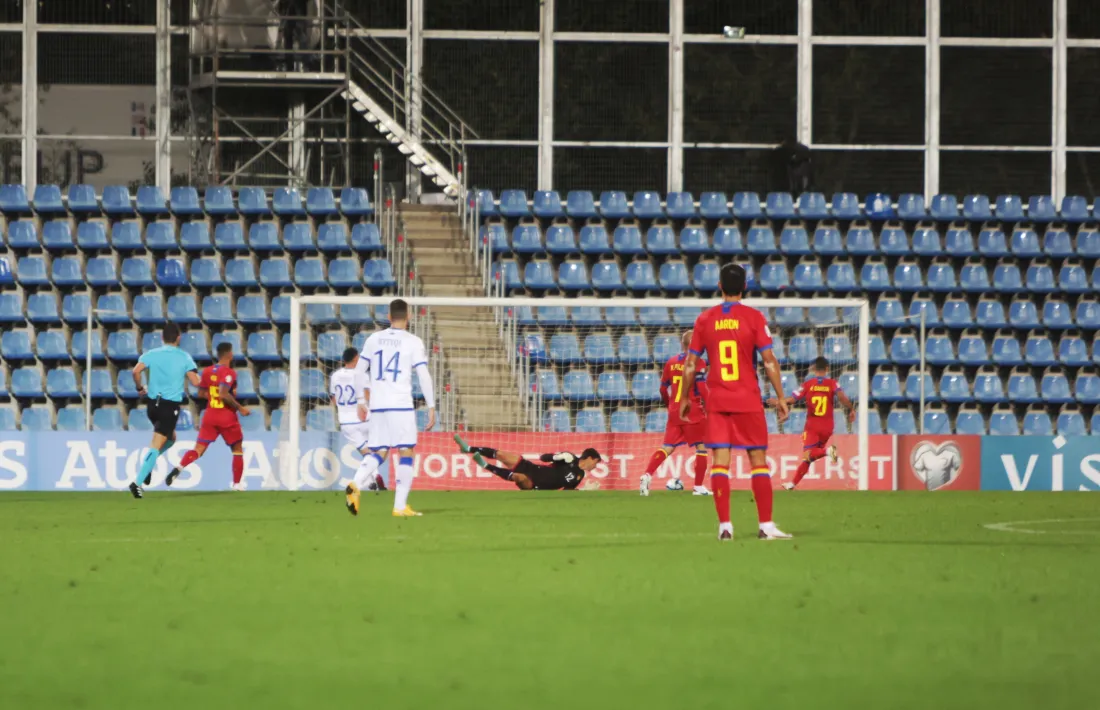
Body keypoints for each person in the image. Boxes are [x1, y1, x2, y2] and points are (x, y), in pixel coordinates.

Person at [680, 263, 792, 541]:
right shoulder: (754, 318)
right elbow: (768, 361)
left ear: (719, 286)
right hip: (748, 399)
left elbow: (690, 366)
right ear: (744, 287)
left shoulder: (705, 319)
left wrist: (683, 397)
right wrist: (780, 397)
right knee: (758, 461)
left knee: (720, 462)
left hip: (718, 400)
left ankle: (725, 527)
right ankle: (765, 526)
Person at [344, 299, 435, 518]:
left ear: (388, 317)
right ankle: (400, 506)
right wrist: (431, 405)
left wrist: (360, 401)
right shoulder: (413, 341)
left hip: (378, 405)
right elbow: (423, 375)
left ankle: (355, 484)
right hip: (400, 405)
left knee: (380, 451)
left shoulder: (374, 339)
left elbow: (358, 372)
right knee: (406, 451)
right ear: (409, 316)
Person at [162, 343, 251, 491]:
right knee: (237, 449)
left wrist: (212, 395)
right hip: (226, 417)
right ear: (229, 354)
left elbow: (201, 394)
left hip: (210, 415)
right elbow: (223, 393)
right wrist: (240, 408)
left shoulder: (208, 371)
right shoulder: (229, 372)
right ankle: (237, 484)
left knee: (198, 449)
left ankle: (180, 466)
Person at [129, 323, 202, 499]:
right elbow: (196, 382)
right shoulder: (184, 357)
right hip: (169, 407)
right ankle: (137, 483)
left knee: (171, 439)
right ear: (178, 338)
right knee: (157, 443)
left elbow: (136, 371)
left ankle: (149, 466)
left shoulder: (152, 354)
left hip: (152, 405)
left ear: (162, 338)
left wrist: (139, 387)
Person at [640, 330, 711, 497]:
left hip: (675, 411)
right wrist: (710, 406)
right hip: (692, 411)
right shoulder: (698, 362)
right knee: (701, 447)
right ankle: (698, 487)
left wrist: (669, 405)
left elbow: (663, 388)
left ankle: (647, 474)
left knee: (667, 447)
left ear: (682, 344)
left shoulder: (671, 363)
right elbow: (701, 388)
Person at [768, 356, 855, 491]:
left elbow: (793, 399)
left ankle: (828, 451)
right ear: (827, 369)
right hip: (827, 426)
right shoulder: (833, 383)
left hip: (812, 426)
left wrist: (779, 402)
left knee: (808, 454)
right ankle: (793, 483)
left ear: (814, 369)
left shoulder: (808, 384)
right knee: (810, 457)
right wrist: (850, 409)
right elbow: (842, 397)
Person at [330, 347, 386, 515]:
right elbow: (368, 396)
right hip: (364, 418)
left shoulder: (334, 376)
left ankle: (372, 481)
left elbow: (333, 399)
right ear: (355, 359)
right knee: (380, 450)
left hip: (346, 421)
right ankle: (361, 483)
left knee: (367, 453)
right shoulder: (361, 375)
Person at [455, 436, 601, 490]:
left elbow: (567, 492)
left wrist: (583, 491)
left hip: (536, 484)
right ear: (589, 458)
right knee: (501, 454)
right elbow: (543, 458)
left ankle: (486, 465)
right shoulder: (569, 458)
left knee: (519, 477)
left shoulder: (580, 476)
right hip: (533, 468)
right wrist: (557, 457)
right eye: (596, 462)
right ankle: (467, 448)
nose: (595, 466)